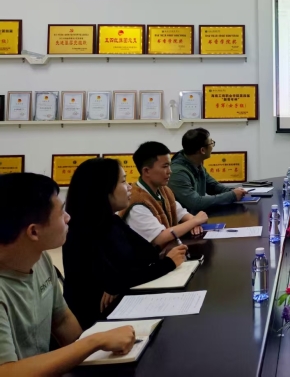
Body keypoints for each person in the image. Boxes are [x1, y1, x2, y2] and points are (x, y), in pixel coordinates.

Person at [0, 173, 136, 376]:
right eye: (61, 211)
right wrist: (94, 341)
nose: (68, 217)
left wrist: (93, 360)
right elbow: (6, 372)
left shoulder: (39, 259)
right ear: (34, 232)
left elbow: (62, 319)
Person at [63, 158, 189, 329]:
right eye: (123, 181)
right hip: (98, 323)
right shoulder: (81, 234)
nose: (129, 187)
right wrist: (168, 263)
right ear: (104, 189)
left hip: (121, 308)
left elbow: (147, 254)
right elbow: (116, 281)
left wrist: (123, 280)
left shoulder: (112, 221)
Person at [119, 141, 208, 248]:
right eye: (165, 166)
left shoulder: (164, 190)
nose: (170, 171)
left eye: (169, 165)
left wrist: (193, 221)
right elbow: (159, 237)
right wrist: (195, 221)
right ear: (146, 171)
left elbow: (180, 212)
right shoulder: (136, 202)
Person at [169, 128, 247, 212]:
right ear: (202, 150)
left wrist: (233, 191)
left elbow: (213, 186)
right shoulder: (177, 173)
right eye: (211, 143)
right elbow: (195, 203)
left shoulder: (195, 162)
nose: (212, 146)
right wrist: (232, 195)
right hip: (185, 219)